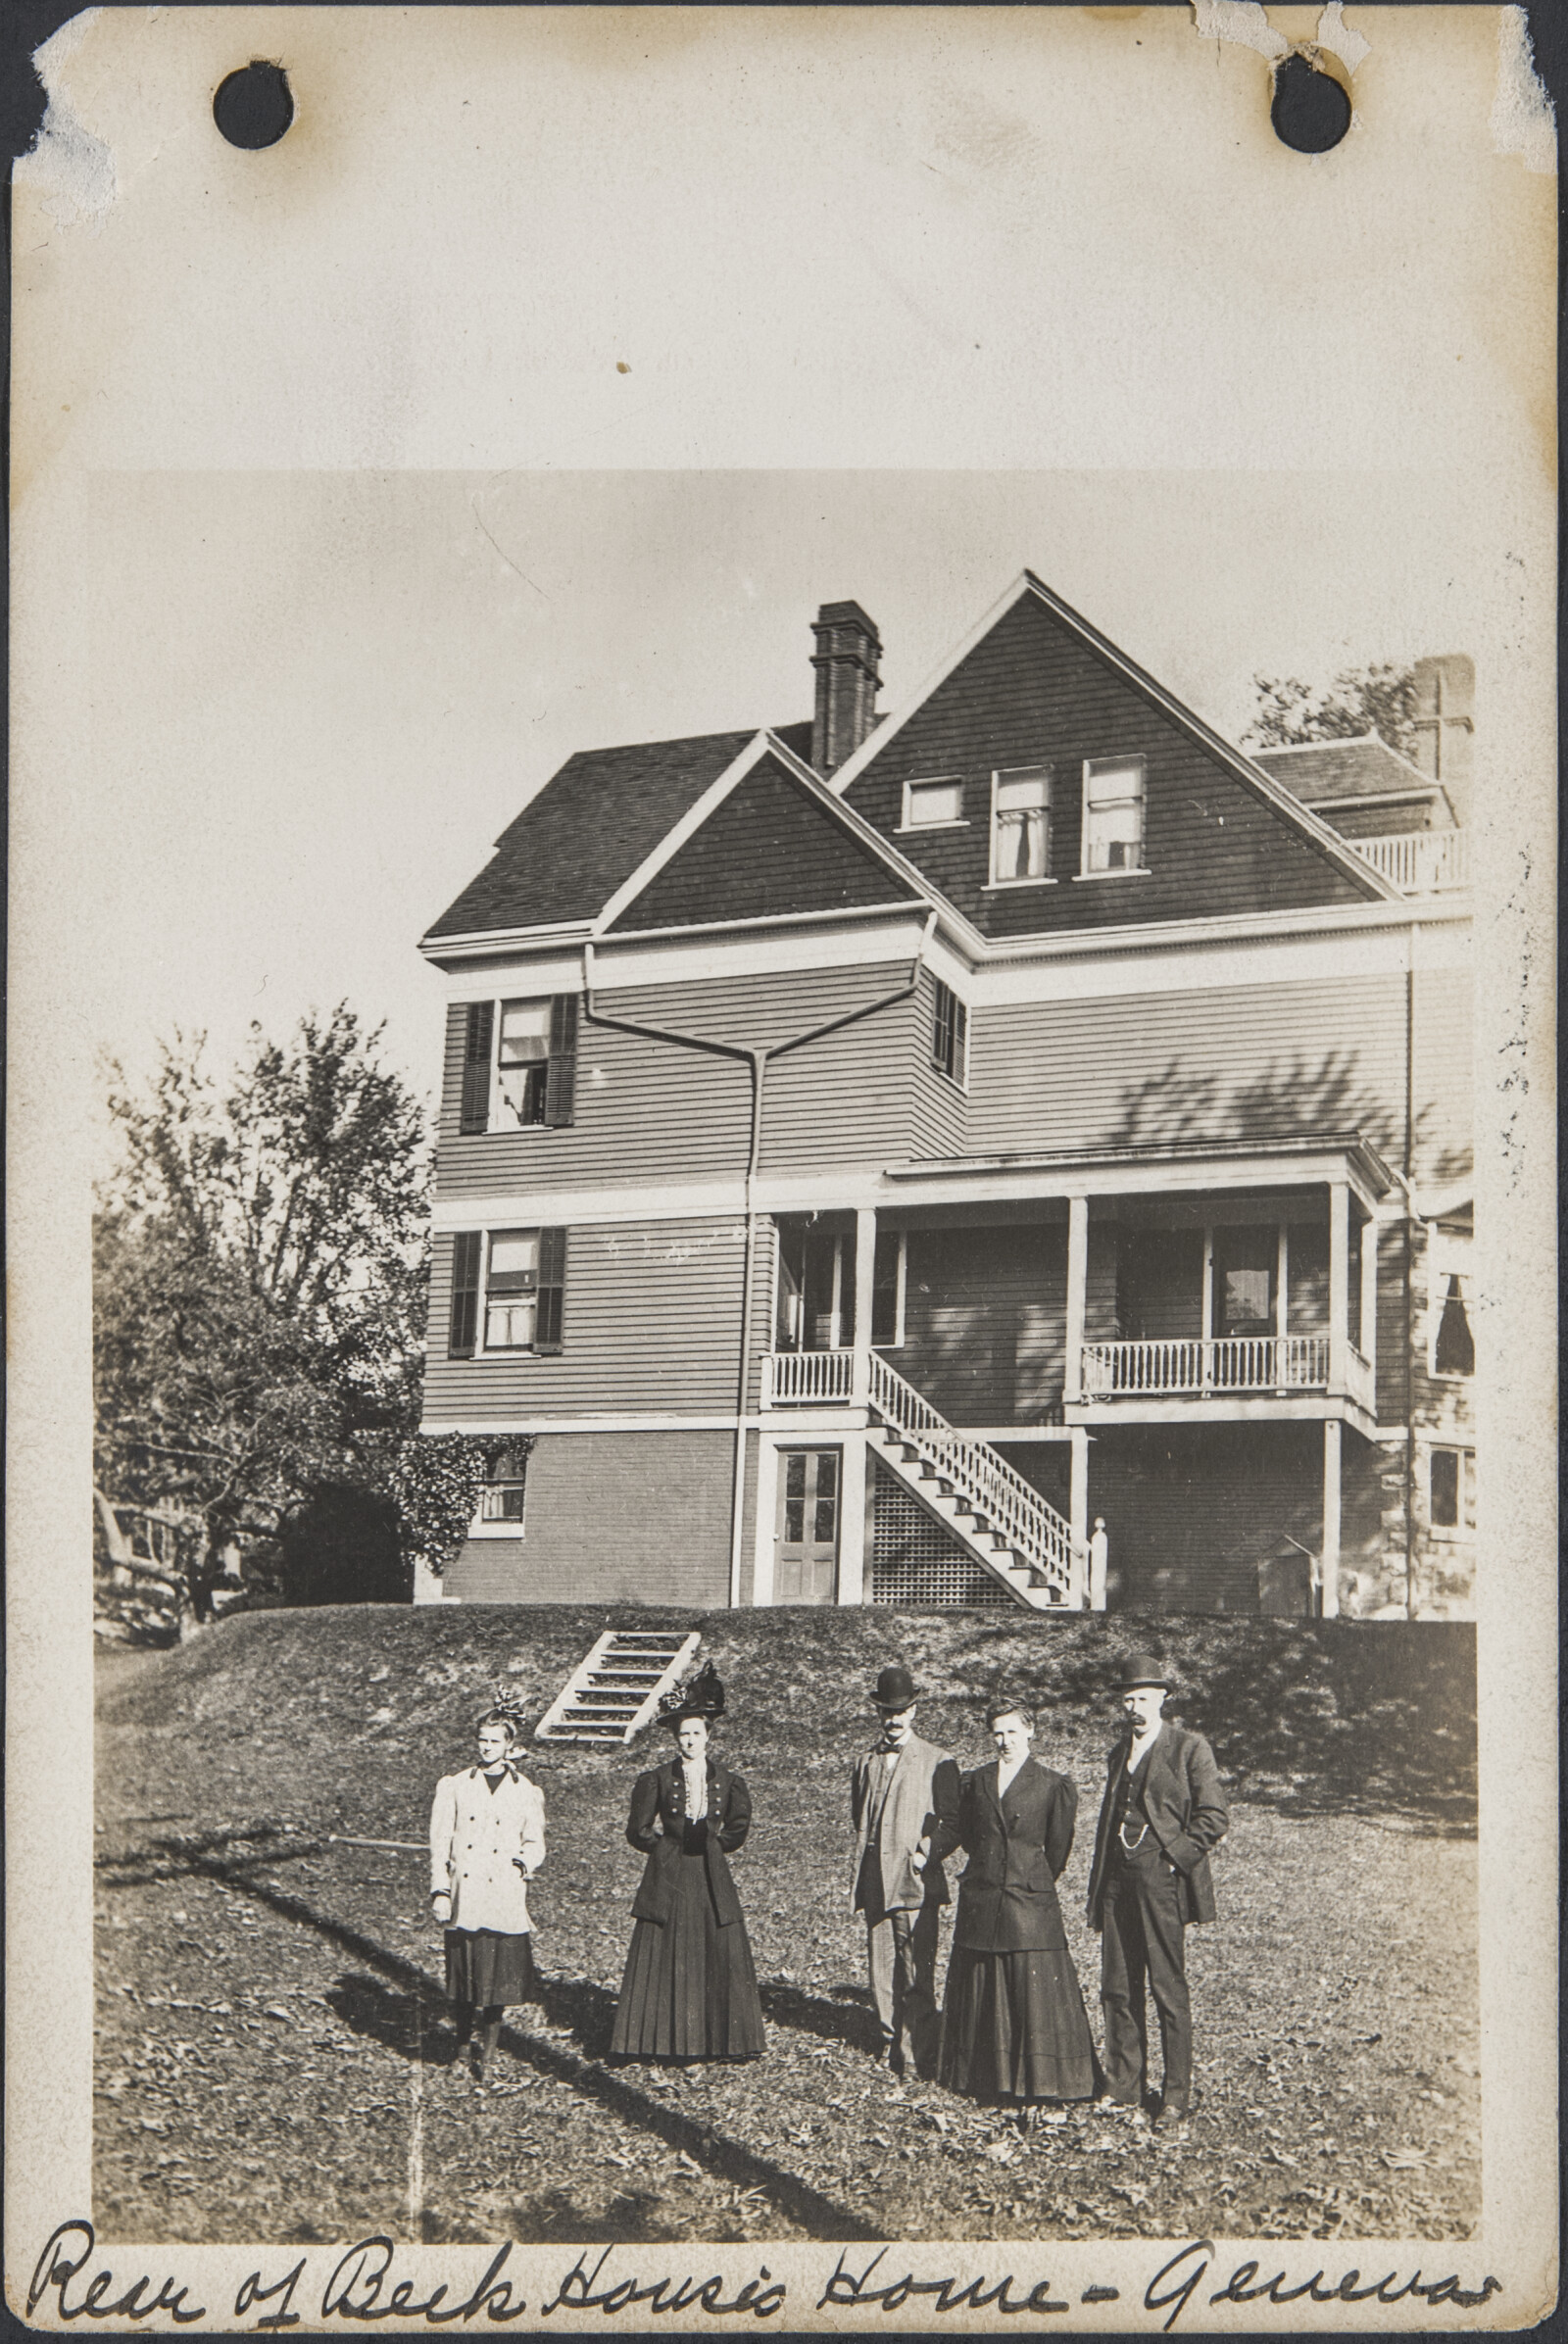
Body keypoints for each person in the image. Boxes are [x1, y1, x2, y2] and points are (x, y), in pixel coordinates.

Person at [1086, 1653, 1229, 2133]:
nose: (1135, 1708)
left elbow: (1214, 1816)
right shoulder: (1117, 1751)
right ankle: (1124, 2085)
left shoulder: (1190, 1748)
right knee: (1117, 1986)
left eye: (1144, 1698)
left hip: (1161, 1883)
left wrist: (1175, 1859)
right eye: (1128, 1699)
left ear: (1163, 1698)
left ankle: (1175, 2096)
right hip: (1116, 1882)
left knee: (1167, 1988)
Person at [937, 1700, 1100, 2123]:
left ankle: (1040, 2080)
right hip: (984, 1899)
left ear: (1031, 1732)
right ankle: (986, 2077)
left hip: (1030, 1901)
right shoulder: (977, 1782)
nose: (1004, 1741)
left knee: (1031, 1990)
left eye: (1012, 1731)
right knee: (986, 1984)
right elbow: (972, 1838)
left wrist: (1027, 1877)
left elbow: (1057, 1852)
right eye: (997, 1732)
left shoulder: (1052, 1785)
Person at [610, 1661, 765, 2063]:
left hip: (710, 1874)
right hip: (671, 1875)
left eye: (697, 1733)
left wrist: (714, 1844)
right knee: (666, 1951)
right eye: (684, 1734)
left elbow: (739, 1825)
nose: (690, 1741)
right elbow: (638, 1830)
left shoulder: (728, 1780)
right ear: (675, 1738)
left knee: (717, 1948)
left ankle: (723, 2040)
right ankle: (656, 2039)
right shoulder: (657, 1779)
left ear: (708, 1736)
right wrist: (668, 1847)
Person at [850, 1663, 960, 2078]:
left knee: (916, 1966)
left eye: (900, 1711)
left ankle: (916, 2050)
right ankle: (887, 2038)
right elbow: (859, 1816)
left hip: (915, 1878)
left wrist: (923, 1854)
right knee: (881, 1966)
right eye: (885, 1712)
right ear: (877, 1714)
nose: (893, 1720)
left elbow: (953, 1823)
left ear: (914, 1711)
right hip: (876, 1877)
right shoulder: (865, 1761)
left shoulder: (939, 1760)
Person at [428, 1702, 546, 2081]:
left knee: (496, 1983)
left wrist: (520, 1865)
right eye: (482, 1740)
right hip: (468, 1894)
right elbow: (440, 1843)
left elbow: (535, 1842)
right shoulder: (456, 1785)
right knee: (465, 1980)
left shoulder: (525, 1790)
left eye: (495, 1741)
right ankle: (462, 2051)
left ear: (510, 1746)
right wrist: (441, 1891)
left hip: (503, 1896)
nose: (486, 1747)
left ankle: (490, 2057)